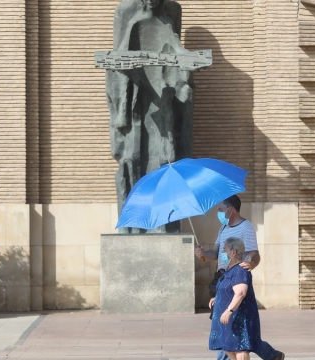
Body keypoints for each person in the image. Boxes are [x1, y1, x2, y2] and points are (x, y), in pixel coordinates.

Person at [106, 0, 195, 233]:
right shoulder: (132, 18)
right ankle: (133, 222)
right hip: (136, 100)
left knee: (165, 157)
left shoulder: (167, 20)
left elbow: (178, 51)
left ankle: (162, 223)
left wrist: (186, 72)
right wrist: (124, 108)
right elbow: (119, 60)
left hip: (162, 102)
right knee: (132, 159)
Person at [194, 194, 283, 360]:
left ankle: (268, 355)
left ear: (231, 209)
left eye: (220, 209)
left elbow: (254, 254)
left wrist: (251, 264)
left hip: (235, 277)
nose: (219, 213)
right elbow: (214, 253)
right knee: (231, 328)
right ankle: (271, 355)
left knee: (230, 327)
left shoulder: (246, 227)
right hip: (221, 278)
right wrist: (202, 254)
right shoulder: (223, 228)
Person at [208, 237, 285, 360]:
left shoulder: (240, 270)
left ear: (233, 252)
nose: (222, 252)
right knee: (228, 346)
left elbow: (240, 293)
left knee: (240, 348)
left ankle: (274, 356)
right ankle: (273, 356)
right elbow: (227, 289)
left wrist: (229, 310)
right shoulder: (229, 270)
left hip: (238, 317)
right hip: (227, 319)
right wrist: (217, 298)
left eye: (224, 249)